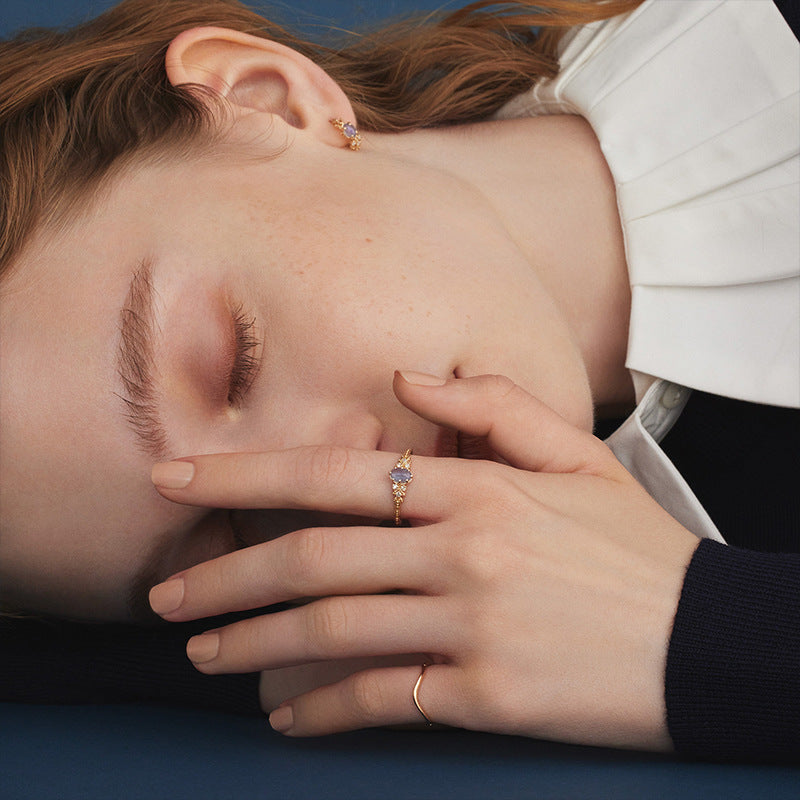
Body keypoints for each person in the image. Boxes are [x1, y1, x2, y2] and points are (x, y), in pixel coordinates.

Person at [1, 0, 798, 762]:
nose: (337, 480)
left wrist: (692, 630)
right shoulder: (431, 633)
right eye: (224, 536)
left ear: (266, 99)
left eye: (235, 360)